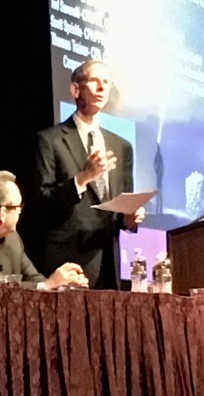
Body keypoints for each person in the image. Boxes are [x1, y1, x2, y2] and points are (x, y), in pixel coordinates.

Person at [31, 60, 144, 289]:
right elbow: (40, 203)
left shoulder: (121, 145)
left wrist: (130, 220)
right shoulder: (50, 140)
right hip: (68, 260)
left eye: (106, 82)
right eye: (95, 81)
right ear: (75, 89)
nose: (102, 88)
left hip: (110, 263)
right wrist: (82, 179)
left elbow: (122, 207)